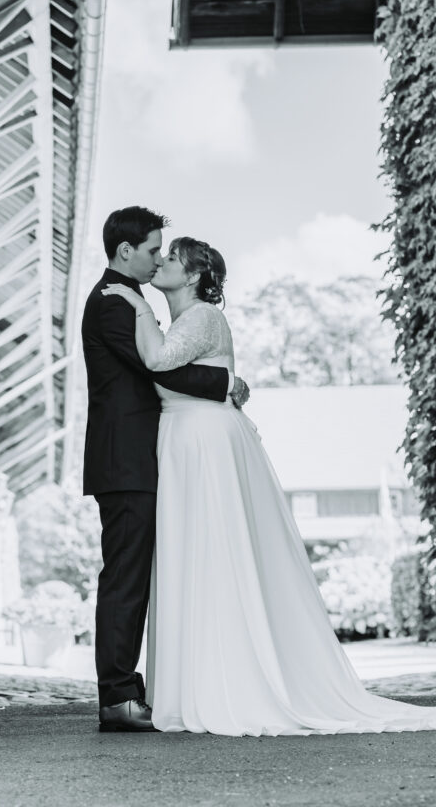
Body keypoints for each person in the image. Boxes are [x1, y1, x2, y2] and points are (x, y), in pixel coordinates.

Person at [103, 235, 436, 737]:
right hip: (184, 442)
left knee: (215, 555)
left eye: (172, 258)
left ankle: (227, 682)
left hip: (204, 443)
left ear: (197, 276)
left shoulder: (202, 317)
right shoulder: (179, 322)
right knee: (193, 557)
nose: (160, 263)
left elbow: (157, 364)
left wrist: (133, 303)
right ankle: (199, 681)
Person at [81, 207, 250, 733]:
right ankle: (117, 698)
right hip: (127, 462)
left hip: (143, 459)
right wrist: (226, 386)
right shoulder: (114, 303)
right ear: (125, 250)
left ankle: (136, 692)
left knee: (140, 576)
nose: (158, 259)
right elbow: (157, 370)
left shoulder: (131, 300)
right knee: (126, 579)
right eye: (154, 249)